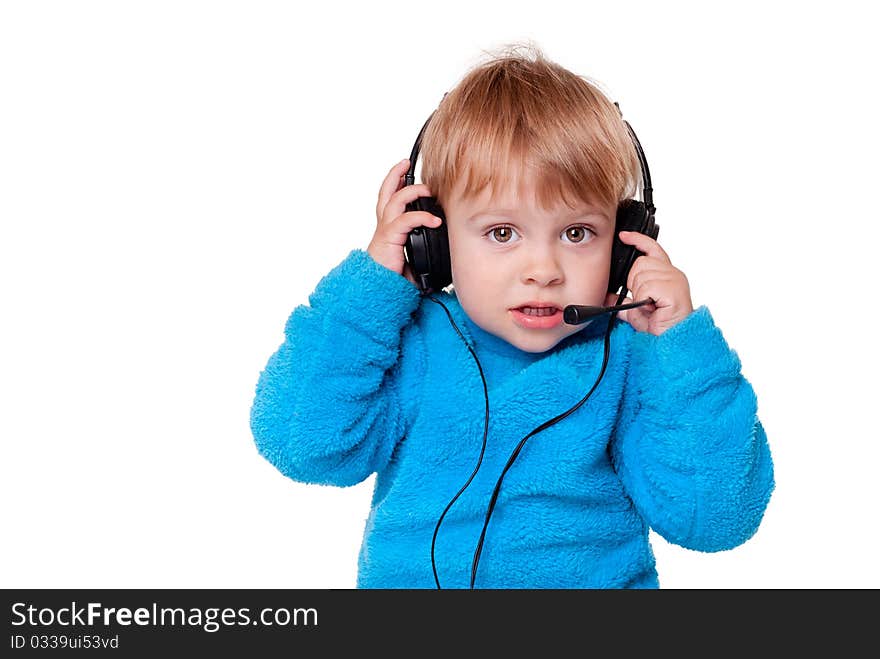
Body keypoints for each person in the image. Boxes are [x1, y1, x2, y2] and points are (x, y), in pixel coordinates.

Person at [249, 43, 774, 589]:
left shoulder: (637, 366)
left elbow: (717, 517)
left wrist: (685, 352)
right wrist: (366, 297)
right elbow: (300, 444)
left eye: (577, 233)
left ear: (622, 247)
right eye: (502, 233)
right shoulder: (403, 343)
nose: (543, 269)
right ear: (435, 240)